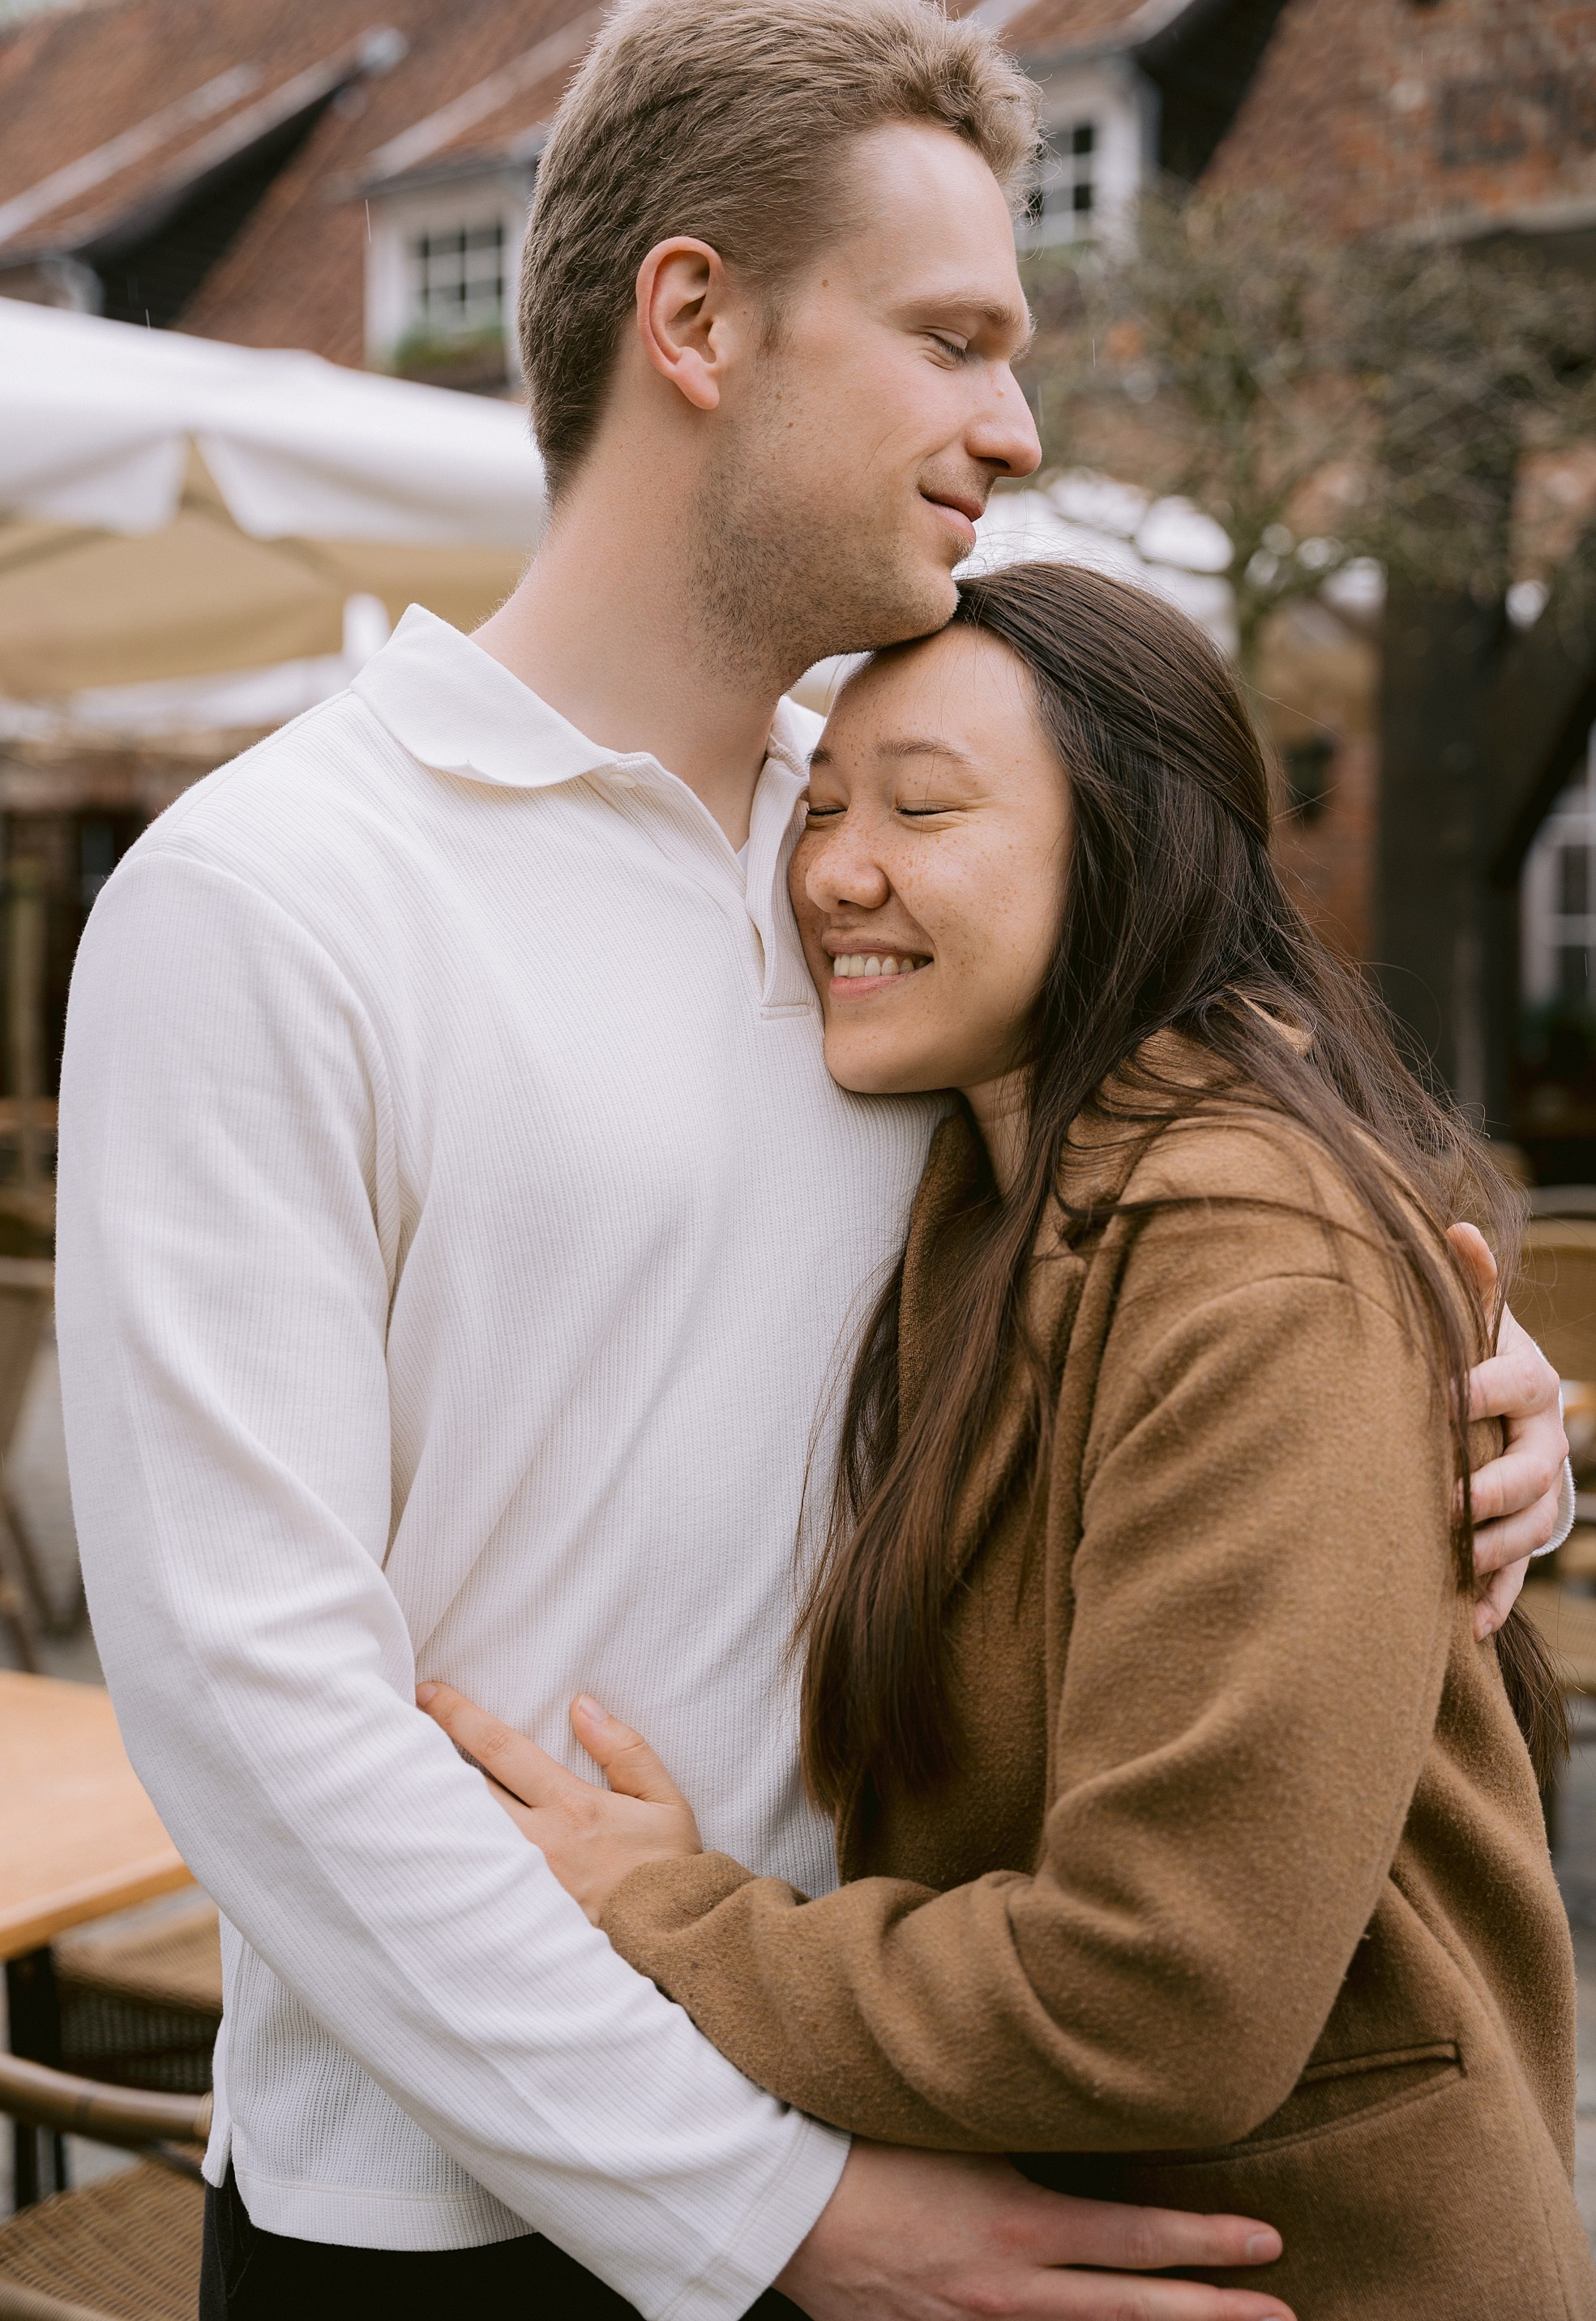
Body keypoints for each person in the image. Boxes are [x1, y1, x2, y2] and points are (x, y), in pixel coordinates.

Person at [56, 0, 1567, 2321]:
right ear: (698, 319)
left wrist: (1471, 1420)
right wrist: (757, 2209)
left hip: (927, 2131)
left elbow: (1175, 1267)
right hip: (477, 2223)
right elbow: (258, 1707)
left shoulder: (905, 892)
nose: (1020, 425)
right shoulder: (274, 895)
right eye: (957, 337)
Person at [422, 559, 1596, 2321]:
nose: (833, 869)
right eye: (813, 810)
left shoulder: (1243, 1246)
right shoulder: (975, 1179)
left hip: (1313, 2263)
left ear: (1131, 844)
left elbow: (1160, 1989)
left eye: (922, 808)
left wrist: (672, 1918)